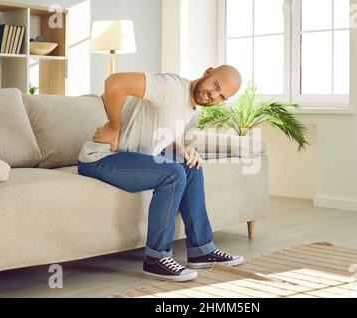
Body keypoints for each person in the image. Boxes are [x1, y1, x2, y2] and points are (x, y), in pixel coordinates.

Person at [77, 65, 243, 282]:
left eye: (222, 96)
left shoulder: (189, 107)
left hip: (131, 159)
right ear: (207, 72)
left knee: (190, 167)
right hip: (101, 158)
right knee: (172, 174)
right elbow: (114, 82)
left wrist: (184, 151)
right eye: (216, 86)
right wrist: (114, 125)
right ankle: (157, 258)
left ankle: (201, 249)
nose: (213, 96)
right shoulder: (171, 86)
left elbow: (161, 134)